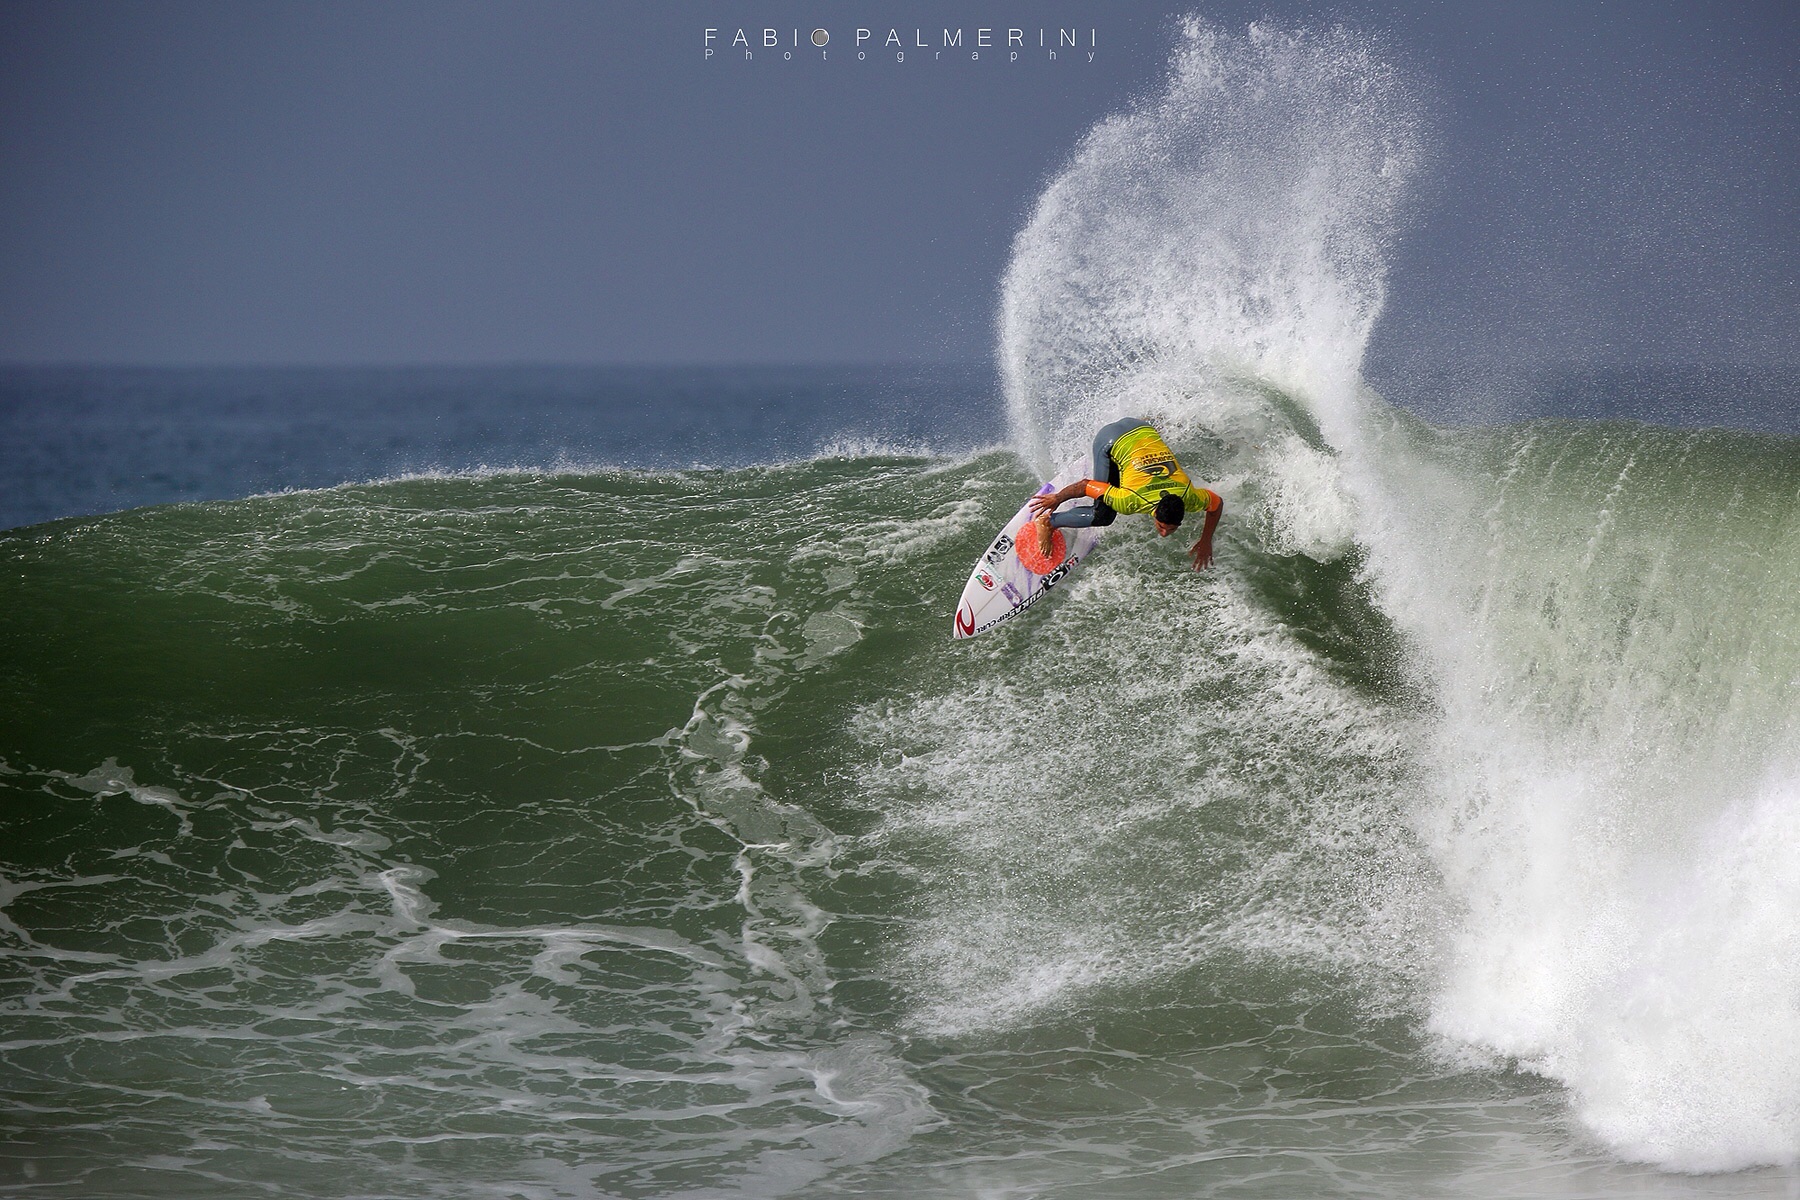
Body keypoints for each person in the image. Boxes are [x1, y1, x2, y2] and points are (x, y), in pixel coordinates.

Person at [1026, 417, 1222, 570]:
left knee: (1128, 474)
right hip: (1109, 439)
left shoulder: (1189, 496)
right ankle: (1048, 522)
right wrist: (1057, 498)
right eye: (1163, 527)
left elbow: (1216, 503)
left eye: (1170, 529)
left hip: (1142, 427)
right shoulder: (1130, 500)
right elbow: (1086, 486)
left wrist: (1206, 540)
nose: (1164, 534)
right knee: (1103, 515)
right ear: (1155, 512)